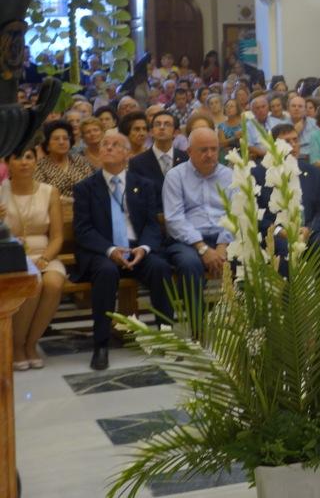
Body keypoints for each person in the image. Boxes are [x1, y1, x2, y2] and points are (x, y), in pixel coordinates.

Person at [72, 132, 175, 370]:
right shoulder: (85, 188)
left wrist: (144, 248)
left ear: (127, 154)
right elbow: (83, 230)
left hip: (136, 248)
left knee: (160, 267)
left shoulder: (143, 185)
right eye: (105, 144)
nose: (108, 148)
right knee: (106, 272)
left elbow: (151, 224)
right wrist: (110, 250)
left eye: (115, 145)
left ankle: (166, 336)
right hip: (103, 252)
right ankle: (101, 345)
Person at [162, 128, 233, 327]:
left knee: (247, 258)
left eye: (213, 149)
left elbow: (236, 215)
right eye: (203, 150)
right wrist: (202, 248)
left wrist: (223, 245)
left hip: (225, 238)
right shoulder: (175, 176)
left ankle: (247, 327)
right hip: (187, 241)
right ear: (189, 151)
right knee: (189, 264)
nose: (209, 154)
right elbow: (174, 219)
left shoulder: (230, 175)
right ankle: (198, 328)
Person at [3, 146, 65, 370]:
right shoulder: (1, 191)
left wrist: (45, 259)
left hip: (44, 253)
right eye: (18, 158)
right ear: (8, 163)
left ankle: (32, 343)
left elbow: (57, 236)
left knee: (54, 282)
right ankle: (18, 345)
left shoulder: (50, 192)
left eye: (29, 157)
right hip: (10, 255)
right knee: (34, 284)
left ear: (36, 162)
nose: (24, 162)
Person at [253, 123, 320, 271]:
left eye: (295, 140)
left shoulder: (312, 172)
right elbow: (257, 216)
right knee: (285, 251)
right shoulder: (259, 174)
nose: (293, 145)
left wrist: (309, 229)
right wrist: (278, 231)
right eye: (287, 141)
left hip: (308, 231)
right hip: (276, 234)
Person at [129, 110, 188, 210]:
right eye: (157, 124)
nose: (162, 127)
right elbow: (137, 199)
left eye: (167, 124)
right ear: (151, 132)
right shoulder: (137, 163)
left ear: (175, 132)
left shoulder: (185, 158)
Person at [34, 119, 94, 199]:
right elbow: (40, 195)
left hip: (83, 204)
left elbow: (92, 186)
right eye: (56, 139)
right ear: (47, 145)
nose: (61, 142)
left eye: (65, 138)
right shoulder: (40, 166)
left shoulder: (80, 161)